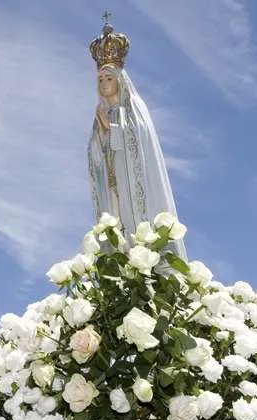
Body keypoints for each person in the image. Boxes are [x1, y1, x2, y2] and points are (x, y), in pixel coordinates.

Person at [87, 16, 187, 260]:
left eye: (109, 78)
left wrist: (113, 131)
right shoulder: (100, 114)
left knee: (138, 234)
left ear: (120, 81)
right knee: (115, 233)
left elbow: (140, 140)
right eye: (100, 79)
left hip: (135, 189)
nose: (103, 83)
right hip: (113, 189)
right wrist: (101, 136)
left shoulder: (134, 109)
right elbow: (95, 156)